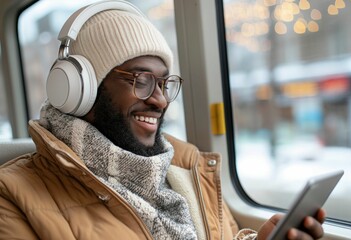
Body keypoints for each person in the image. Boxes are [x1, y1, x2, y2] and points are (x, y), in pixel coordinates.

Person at [0, 1, 326, 239]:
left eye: (165, 83)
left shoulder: (188, 166)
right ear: (79, 89)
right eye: (141, 80)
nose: (159, 100)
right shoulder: (12, 195)